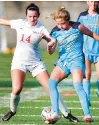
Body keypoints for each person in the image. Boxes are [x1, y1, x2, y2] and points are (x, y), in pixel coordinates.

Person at [0, 3, 79, 122]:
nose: (32, 19)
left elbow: (51, 41)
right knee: (16, 89)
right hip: (18, 62)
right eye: (30, 16)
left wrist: (51, 43)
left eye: (35, 16)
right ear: (26, 16)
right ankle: (12, 110)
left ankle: (67, 114)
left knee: (51, 88)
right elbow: (3, 21)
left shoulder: (41, 29)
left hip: (36, 63)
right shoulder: (19, 23)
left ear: (38, 16)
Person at [46, 7, 99, 123]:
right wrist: (49, 46)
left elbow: (92, 34)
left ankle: (87, 115)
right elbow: (50, 52)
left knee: (78, 86)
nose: (60, 26)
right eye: (58, 24)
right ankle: (55, 112)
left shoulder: (78, 27)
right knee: (51, 82)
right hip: (63, 62)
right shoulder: (54, 31)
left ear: (68, 20)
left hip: (77, 61)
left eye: (63, 24)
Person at [77, 1, 99, 107]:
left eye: (96, 1)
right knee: (88, 75)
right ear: (87, 2)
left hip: (98, 50)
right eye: (91, 1)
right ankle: (87, 98)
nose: (93, 3)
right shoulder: (82, 16)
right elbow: (77, 29)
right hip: (86, 50)